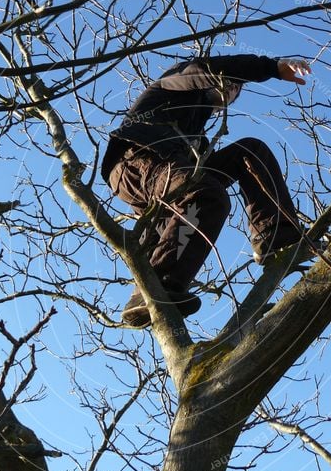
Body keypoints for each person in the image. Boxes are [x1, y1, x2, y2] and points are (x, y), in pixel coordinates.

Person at [101, 53, 311, 328]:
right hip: (138, 157)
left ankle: (278, 239)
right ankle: (158, 287)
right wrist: (270, 67)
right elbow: (206, 70)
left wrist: (148, 247)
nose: (232, 89)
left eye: (236, 90)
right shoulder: (175, 84)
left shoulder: (196, 142)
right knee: (207, 194)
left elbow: (169, 214)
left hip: (164, 171)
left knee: (250, 152)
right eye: (230, 83)